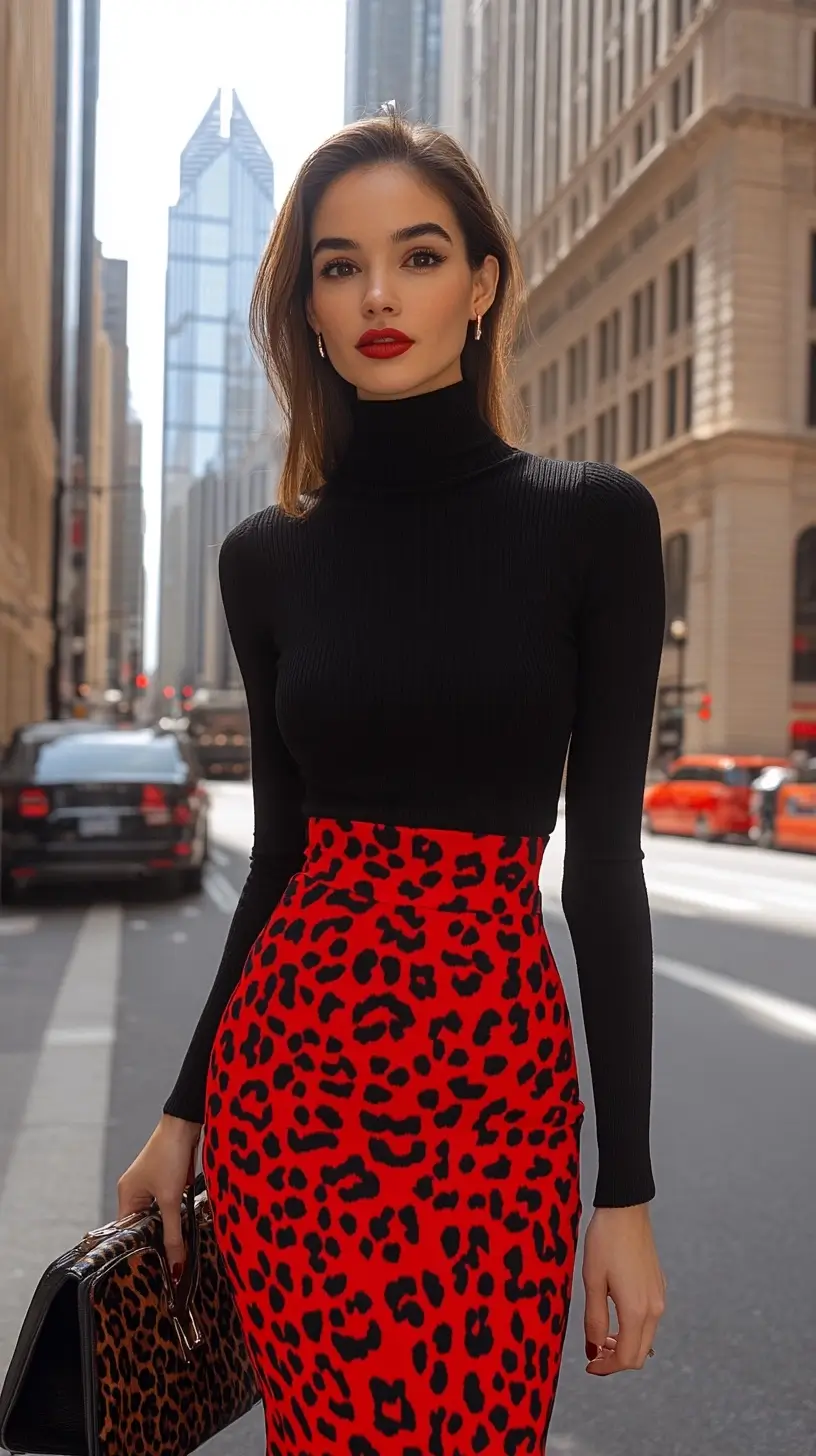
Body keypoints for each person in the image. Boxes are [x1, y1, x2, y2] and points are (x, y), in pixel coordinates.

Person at [118, 110, 667, 1452]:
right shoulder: (265, 558)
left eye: (417, 256)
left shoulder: (594, 522)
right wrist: (185, 1108)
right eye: (337, 264)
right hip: (291, 1093)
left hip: (497, 1092)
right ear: (303, 304)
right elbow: (284, 861)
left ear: (481, 285)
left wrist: (627, 1192)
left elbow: (603, 867)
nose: (376, 295)